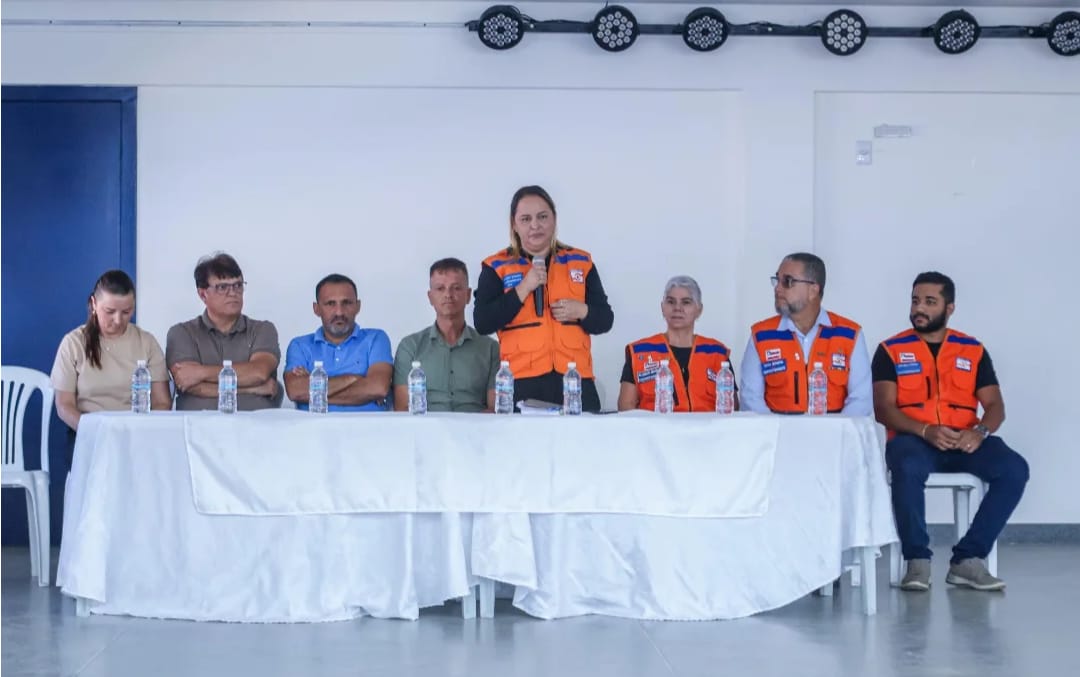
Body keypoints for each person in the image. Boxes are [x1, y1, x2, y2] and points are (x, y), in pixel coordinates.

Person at [873, 271, 1028, 592]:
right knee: (906, 465)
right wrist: (924, 430)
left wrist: (979, 432)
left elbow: (995, 405)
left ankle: (967, 559)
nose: (920, 308)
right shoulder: (891, 350)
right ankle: (917, 561)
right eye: (915, 300)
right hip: (914, 440)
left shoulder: (971, 350)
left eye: (930, 302)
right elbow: (883, 409)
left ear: (949, 308)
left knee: (1014, 468)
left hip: (964, 439)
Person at [473, 185, 614, 411]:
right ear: (514, 225)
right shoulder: (497, 266)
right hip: (522, 383)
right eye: (526, 219)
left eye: (542, 217)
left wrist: (582, 311)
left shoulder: (580, 262)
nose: (535, 225)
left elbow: (605, 320)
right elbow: (483, 322)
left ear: (554, 219)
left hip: (575, 381)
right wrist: (523, 288)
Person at [739, 252, 871, 415]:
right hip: (777, 430)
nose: (777, 288)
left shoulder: (849, 335)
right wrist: (778, 429)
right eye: (777, 280)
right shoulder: (761, 335)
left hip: (834, 430)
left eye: (788, 281)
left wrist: (835, 430)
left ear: (813, 290)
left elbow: (861, 400)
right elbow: (751, 399)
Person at [51, 270, 172, 441]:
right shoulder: (74, 343)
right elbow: (64, 405)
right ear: (94, 304)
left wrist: (140, 431)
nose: (118, 320)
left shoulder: (146, 342)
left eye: (126, 312)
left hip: (136, 435)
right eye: (110, 311)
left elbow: (162, 402)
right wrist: (93, 432)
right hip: (88, 434)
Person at [166, 253, 281, 411]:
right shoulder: (182, 333)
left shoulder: (262, 330)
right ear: (203, 294)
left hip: (254, 423)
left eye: (238, 285)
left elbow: (258, 373)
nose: (233, 293)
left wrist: (201, 372)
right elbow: (188, 383)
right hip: (198, 423)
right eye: (222, 287)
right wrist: (253, 388)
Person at [393, 258, 500, 412]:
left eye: (456, 288)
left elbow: (496, 409)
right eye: (440, 288)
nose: (448, 295)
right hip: (425, 426)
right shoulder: (410, 347)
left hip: (475, 425)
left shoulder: (490, 348)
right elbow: (402, 409)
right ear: (430, 297)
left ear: (468, 295)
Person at [618, 275, 737, 412]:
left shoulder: (716, 353)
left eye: (686, 302)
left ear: (699, 310)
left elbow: (732, 407)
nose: (677, 308)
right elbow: (625, 407)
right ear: (662, 307)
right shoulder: (640, 352)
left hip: (708, 425)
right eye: (671, 302)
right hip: (656, 425)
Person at [284, 274, 392, 411]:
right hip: (313, 425)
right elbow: (295, 391)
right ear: (316, 309)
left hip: (369, 424)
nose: (339, 312)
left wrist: (314, 391)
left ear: (358, 306)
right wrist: (353, 379)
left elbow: (378, 388)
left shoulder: (376, 339)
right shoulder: (300, 346)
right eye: (330, 304)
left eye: (346, 303)